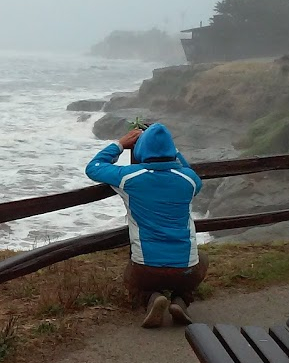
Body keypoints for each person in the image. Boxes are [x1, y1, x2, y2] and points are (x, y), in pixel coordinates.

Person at [85, 122, 208, 327]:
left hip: (145, 270)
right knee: (202, 259)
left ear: (142, 150)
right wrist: (168, 147)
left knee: (132, 276)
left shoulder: (129, 177)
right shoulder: (190, 179)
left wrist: (120, 144)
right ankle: (180, 300)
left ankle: (151, 298)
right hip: (187, 271)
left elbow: (94, 167)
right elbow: (185, 167)